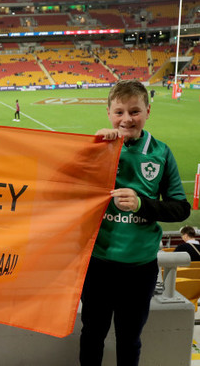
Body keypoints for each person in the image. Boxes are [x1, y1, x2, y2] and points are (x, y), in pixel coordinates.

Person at [80, 79, 191, 366]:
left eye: (134, 111)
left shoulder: (161, 153)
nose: (126, 119)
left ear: (147, 111)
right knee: (92, 333)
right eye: (119, 112)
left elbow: (180, 209)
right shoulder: (96, 148)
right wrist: (91, 151)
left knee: (129, 339)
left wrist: (143, 204)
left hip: (139, 268)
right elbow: (70, 191)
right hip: (98, 263)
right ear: (108, 113)